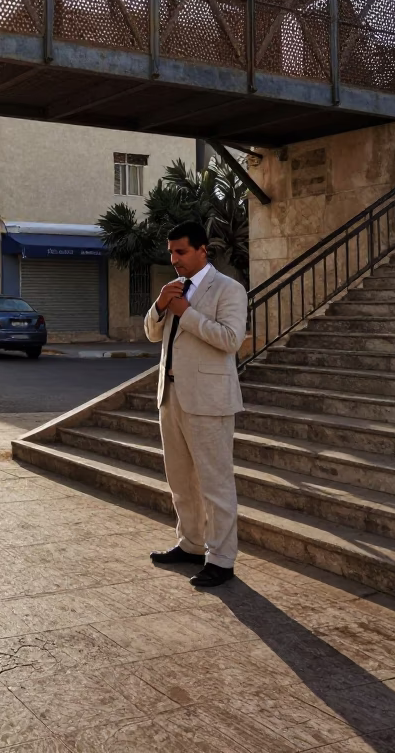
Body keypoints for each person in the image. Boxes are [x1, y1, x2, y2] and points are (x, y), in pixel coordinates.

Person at [143, 221, 247, 588]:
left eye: (181, 251)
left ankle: (221, 559)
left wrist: (186, 312)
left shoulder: (229, 289)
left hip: (209, 400)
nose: (175, 259)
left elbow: (231, 339)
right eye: (171, 252)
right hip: (170, 396)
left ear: (203, 250)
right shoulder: (175, 288)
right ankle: (191, 544)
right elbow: (152, 333)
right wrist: (160, 305)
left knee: (215, 484)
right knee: (180, 480)